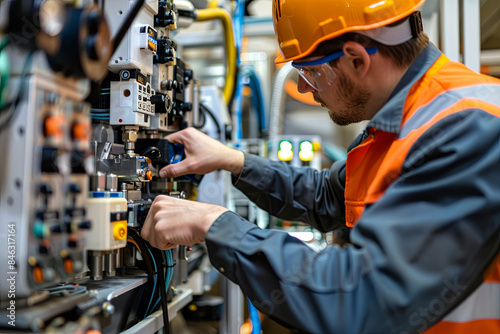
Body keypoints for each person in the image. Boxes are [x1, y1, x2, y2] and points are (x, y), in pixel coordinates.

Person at [141, 0, 500, 332]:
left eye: (311, 74)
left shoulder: (469, 129)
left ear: (357, 59)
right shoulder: (408, 116)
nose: (306, 88)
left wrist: (214, 225)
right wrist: (233, 161)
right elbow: (329, 196)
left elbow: (359, 300)